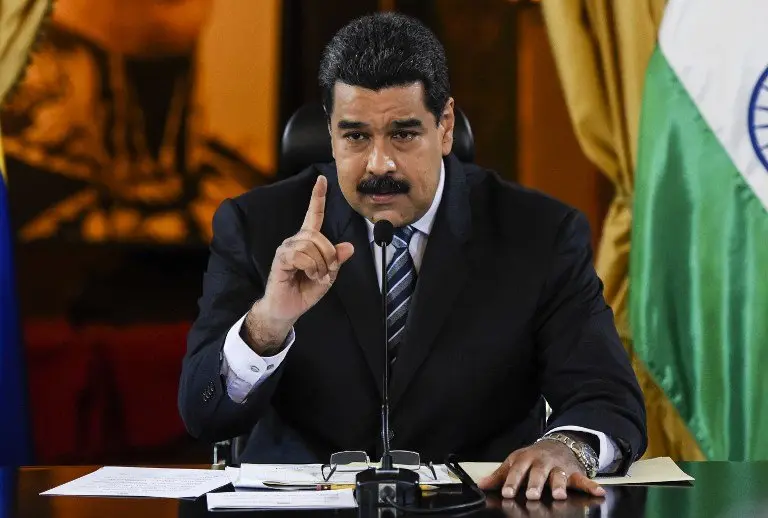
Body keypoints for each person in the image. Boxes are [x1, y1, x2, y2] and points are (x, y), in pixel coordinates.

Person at [179, 13, 646, 501]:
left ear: (445, 126)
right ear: (331, 132)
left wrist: (566, 449)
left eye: (403, 134)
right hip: (306, 507)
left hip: (479, 507)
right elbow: (202, 415)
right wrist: (267, 324)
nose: (379, 163)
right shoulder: (257, 226)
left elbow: (608, 397)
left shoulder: (539, 234)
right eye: (355, 136)